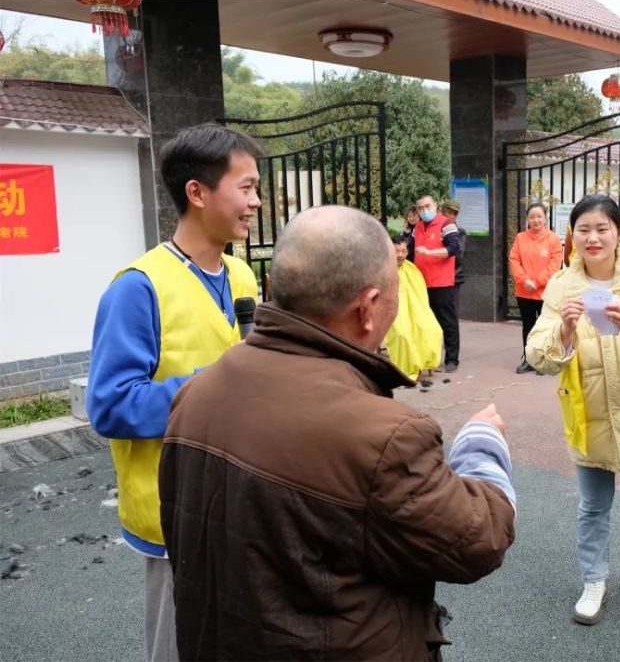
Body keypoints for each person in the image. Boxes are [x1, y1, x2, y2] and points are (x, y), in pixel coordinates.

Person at [159, 206, 517, 661]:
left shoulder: (196, 392)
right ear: (367, 309)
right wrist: (481, 444)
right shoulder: (383, 437)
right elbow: (478, 541)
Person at [85, 123, 264, 662]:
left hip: (242, 500)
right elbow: (111, 404)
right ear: (197, 191)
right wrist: (214, 388)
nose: (256, 202)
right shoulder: (137, 287)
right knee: (178, 648)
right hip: (175, 512)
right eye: (247, 187)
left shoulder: (241, 275)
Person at [526, 194, 620, 626]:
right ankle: (594, 579)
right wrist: (565, 330)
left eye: (602, 228)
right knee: (592, 507)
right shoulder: (561, 286)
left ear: (618, 232)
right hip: (588, 415)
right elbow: (537, 353)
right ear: (573, 236)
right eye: (583, 230)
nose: (593, 238)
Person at [509, 202, 562, 374]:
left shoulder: (553, 239)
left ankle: (545, 359)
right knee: (528, 325)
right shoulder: (520, 238)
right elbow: (514, 260)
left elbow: (555, 265)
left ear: (545, 217)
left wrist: (537, 282)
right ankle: (529, 359)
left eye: (539, 216)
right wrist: (524, 280)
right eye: (532, 217)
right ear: (527, 219)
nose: (536, 220)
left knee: (546, 326)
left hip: (545, 292)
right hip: (524, 291)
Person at [385, 234, 443, 380]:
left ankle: (422, 363)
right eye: (396, 251)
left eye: (403, 251)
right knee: (403, 334)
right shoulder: (382, 270)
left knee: (432, 329)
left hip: (415, 310)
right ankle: (406, 369)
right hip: (392, 312)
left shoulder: (411, 269)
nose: (400, 255)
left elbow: (420, 296)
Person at [414, 194, 461, 372]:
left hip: (441, 282)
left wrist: (429, 252)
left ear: (435, 205)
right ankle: (429, 356)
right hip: (421, 282)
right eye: (420, 208)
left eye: (427, 206)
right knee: (426, 322)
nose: (424, 210)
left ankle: (452, 359)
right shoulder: (417, 227)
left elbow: (453, 248)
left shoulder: (446, 224)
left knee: (447, 321)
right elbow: (410, 248)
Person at [440, 198, 468, 313]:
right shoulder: (435, 229)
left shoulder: (459, 232)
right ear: (442, 212)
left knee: (451, 313)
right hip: (435, 278)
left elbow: (458, 256)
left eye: (455, 214)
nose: (451, 216)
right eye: (449, 212)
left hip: (453, 277)